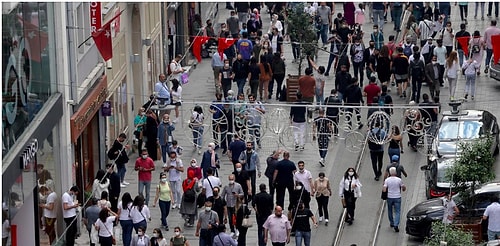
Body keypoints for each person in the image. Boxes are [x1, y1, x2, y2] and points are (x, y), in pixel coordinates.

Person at [383, 167, 407, 232]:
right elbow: (403, 188)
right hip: (397, 197)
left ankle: (392, 223)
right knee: (397, 211)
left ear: (390, 173)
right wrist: (404, 188)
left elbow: (384, 189)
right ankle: (396, 224)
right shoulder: (399, 180)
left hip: (390, 197)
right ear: (395, 172)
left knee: (390, 210)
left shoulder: (387, 180)